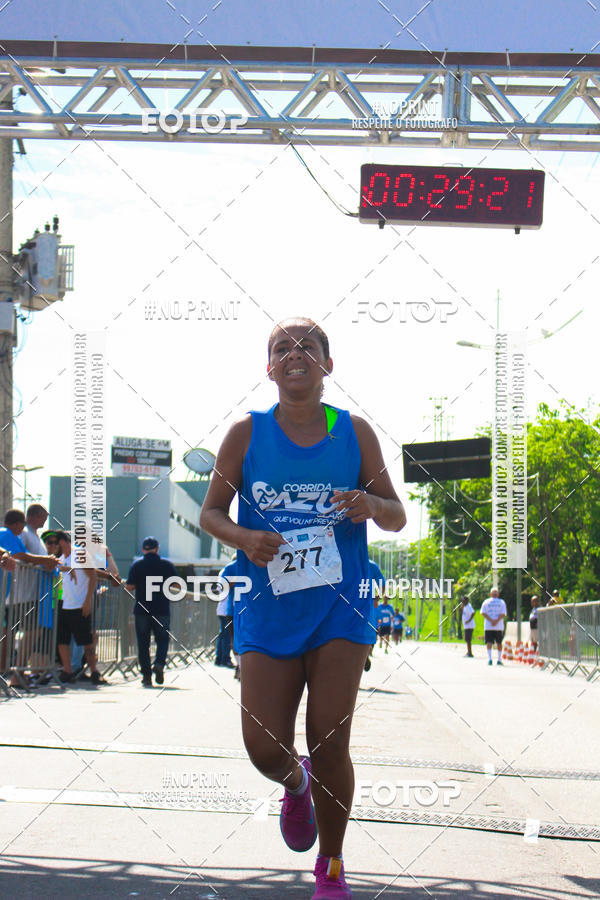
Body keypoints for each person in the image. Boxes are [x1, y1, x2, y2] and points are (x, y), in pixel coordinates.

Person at [200, 317, 406, 899]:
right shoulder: (248, 434)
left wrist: (370, 503)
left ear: (327, 365)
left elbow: (396, 515)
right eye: (282, 349)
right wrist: (244, 539)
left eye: (308, 347)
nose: (295, 355)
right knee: (265, 746)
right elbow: (211, 513)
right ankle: (295, 785)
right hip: (268, 604)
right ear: (269, 368)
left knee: (329, 739)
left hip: (342, 605)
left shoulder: (352, 431)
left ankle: (332, 867)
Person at [125, 536, 176, 687]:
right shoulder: (167, 565)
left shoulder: (137, 564)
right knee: (163, 639)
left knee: (143, 643)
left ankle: (146, 676)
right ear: (157, 549)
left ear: (143, 549)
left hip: (142, 609)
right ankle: (159, 663)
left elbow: (130, 586)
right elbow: (177, 585)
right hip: (161, 608)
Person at [56, 531, 104, 684]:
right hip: (65, 603)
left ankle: (94, 671)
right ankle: (67, 670)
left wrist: (87, 601)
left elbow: (92, 576)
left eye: (55, 541)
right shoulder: (62, 558)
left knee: (86, 640)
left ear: (63, 541)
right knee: (62, 639)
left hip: (79, 604)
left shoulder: (80, 554)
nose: (53, 545)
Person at [215, 562, 236, 669]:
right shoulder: (227, 571)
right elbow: (222, 587)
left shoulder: (223, 571)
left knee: (223, 633)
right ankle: (225, 658)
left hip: (224, 608)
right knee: (226, 634)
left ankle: (219, 657)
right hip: (226, 608)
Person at [364, 559, 384, 671]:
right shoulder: (371, 565)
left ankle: (364, 654)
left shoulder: (342, 560)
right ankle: (365, 653)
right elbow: (382, 585)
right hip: (366, 609)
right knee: (365, 636)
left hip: (345, 607)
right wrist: (376, 599)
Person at [480, 587, 507, 666]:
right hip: (498, 626)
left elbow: (483, 613)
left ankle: (491, 659)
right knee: (498, 642)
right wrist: (496, 621)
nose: (495, 594)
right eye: (494, 593)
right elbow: (503, 614)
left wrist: (491, 620)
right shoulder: (501, 602)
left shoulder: (487, 602)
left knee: (490, 642)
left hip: (489, 626)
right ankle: (498, 659)